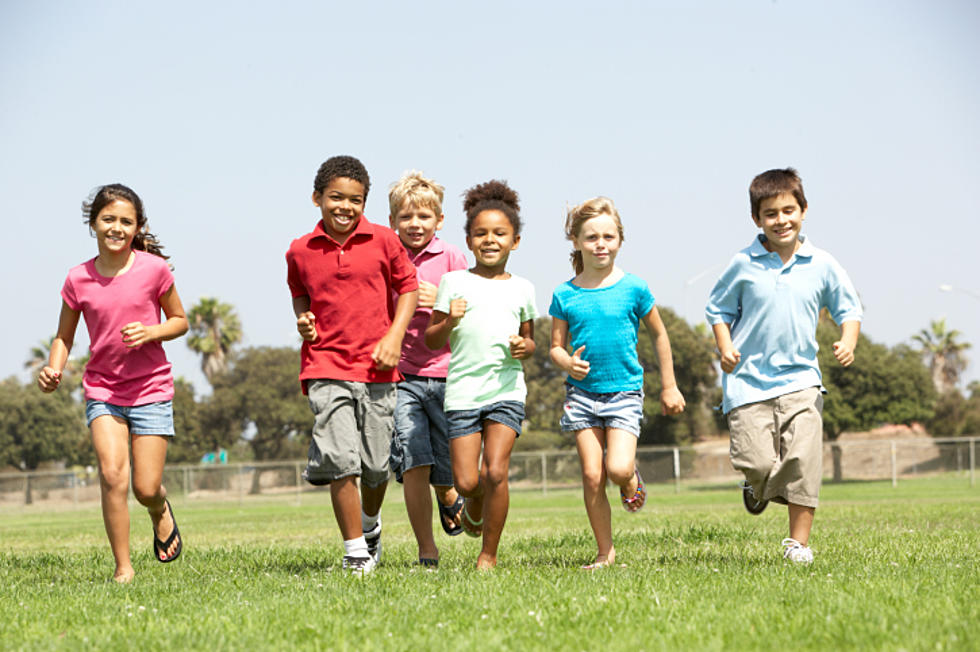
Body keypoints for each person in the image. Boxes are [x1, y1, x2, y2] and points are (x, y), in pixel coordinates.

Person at [705, 168, 862, 564]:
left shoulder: (822, 264)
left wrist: (847, 340)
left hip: (801, 380)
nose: (781, 220)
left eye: (788, 210)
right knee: (755, 462)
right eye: (770, 213)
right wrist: (725, 348)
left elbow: (849, 308)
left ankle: (798, 544)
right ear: (757, 219)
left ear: (804, 210)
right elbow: (717, 309)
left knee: (803, 460)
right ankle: (756, 487)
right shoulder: (742, 264)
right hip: (747, 384)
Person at [37, 184, 188, 583]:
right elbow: (63, 337)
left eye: (126, 221)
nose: (116, 227)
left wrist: (152, 332)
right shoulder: (77, 278)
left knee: (144, 486)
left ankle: (158, 509)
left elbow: (180, 321)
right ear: (93, 224)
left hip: (151, 389)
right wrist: (54, 368)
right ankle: (123, 567)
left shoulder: (154, 270)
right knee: (112, 475)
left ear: (137, 226)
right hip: (103, 390)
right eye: (108, 219)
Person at [286, 155, 418, 575]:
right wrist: (303, 319)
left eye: (355, 200)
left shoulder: (384, 240)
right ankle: (355, 552)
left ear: (366, 202)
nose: (345, 206)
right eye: (335, 198)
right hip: (325, 365)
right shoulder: (300, 251)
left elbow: (409, 288)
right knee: (340, 459)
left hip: (378, 368)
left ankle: (369, 523)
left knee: (377, 467)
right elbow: (300, 293)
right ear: (317, 198)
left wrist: (394, 338)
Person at [549, 196, 686, 570]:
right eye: (591, 237)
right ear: (576, 241)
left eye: (608, 236)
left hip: (624, 392)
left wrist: (669, 386)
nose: (600, 244)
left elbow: (659, 335)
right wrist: (567, 362)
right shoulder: (565, 294)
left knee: (618, 469)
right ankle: (604, 553)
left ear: (620, 240)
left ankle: (630, 481)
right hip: (581, 395)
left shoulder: (635, 288)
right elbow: (555, 348)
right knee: (592, 475)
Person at [425, 180, 537, 570]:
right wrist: (449, 317)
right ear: (469, 240)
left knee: (496, 471)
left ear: (515, 241)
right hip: (462, 394)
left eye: (500, 234)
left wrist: (527, 348)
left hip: (507, 389)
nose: (490, 240)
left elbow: (529, 340)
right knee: (469, 483)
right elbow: (431, 338)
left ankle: (488, 555)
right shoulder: (453, 283)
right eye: (481, 233)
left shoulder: (524, 289)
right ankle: (472, 508)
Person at [386, 171, 468, 568]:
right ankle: (426, 549)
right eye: (405, 217)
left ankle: (448, 491)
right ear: (392, 222)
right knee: (413, 460)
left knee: (449, 464)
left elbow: (471, 309)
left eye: (423, 216)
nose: (414, 224)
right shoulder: (386, 256)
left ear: (438, 220)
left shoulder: (452, 257)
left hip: (450, 373)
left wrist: (443, 299)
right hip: (402, 377)